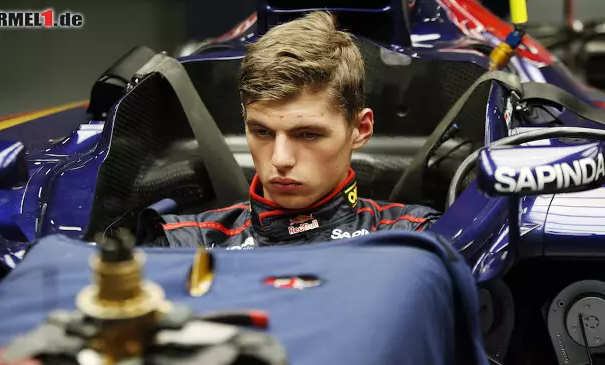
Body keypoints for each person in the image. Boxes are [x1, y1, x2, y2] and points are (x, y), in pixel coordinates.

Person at [144, 11, 440, 249]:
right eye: (262, 132)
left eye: (308, 134)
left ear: (359, 130)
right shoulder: (184, 244)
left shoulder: (415, 237)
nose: (280, 160)